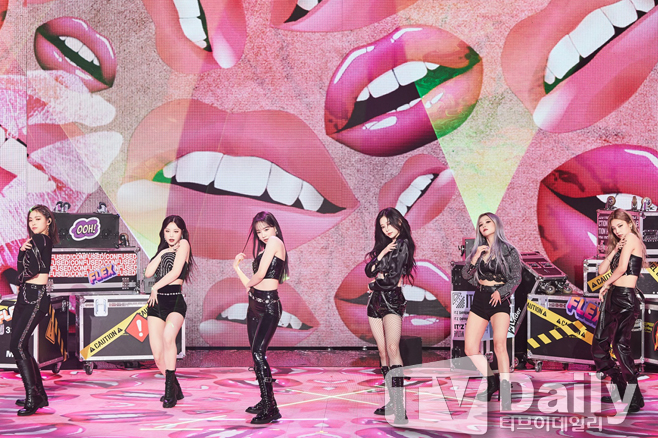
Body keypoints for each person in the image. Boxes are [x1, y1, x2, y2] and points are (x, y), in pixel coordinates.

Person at [462, 212, 521, 411]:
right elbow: (465, 275)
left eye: (487, 222)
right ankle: (491, 381)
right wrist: (475, 257)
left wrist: (501, 292)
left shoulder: (509, 250)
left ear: (496, 224)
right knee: (470, 348)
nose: (484, 226)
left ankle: (505, 389)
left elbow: (516, 278)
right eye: (480, 224)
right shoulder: (478, 250)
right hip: (480, 299)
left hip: (499, 300)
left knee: (500, 345)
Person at [233, 211, 288, 424]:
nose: (263, 234)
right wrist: (236, 268)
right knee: (256, 355)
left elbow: (260, 275)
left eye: (266, 229)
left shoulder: (275, 242)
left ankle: (271, 407)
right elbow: (251, 284)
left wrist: (249, 283)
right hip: (254, 305)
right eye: (258, 232)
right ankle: (265, 401)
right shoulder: (266, 249)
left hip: (268, 307)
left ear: (275, 228)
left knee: (258, 353)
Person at [365, 207, 416, 425]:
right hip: (375, 303)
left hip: (392, 301)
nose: (387, 229)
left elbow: (392, 280)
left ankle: (400, 407)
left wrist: (373, 284)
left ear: (399, 222)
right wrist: (382, 253)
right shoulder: (387, 246)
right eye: (383, 226)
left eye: (389, 224)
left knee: (393, 348)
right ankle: (392, 402)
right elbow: (369, 270)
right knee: (382, 351)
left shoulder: (403, 244)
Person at [592, 208, 646, 413]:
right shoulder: (621, 244)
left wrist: (605, 285)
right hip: (612, 298)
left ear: (630, 224)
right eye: (614, 229)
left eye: (620, 226)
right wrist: (614, 250)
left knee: (620, 346)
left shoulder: (632, 238)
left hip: (625, 298)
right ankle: (621, 391)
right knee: (599, 345)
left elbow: (622, 268)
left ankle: (634, 397)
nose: (617, 231)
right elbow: (601, 271)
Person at [11, 205, 58, 416]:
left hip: (34, 298)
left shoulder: (40, 239)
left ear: (48, 221)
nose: (33, 223)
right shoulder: (38, 241)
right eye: (31, 220)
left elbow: (32, 270)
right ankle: (37, 395)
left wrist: (19, 276)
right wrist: (22, 253)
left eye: (38, 219)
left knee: (18, 345)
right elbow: (25, 270)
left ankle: (34, 397)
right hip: (26, 296)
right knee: (20, 346)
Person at [144, 215, 194, 408]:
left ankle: (168, 393)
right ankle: (175, 388)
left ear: (182, 232)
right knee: (157, 355)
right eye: (167, 231)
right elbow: (148, 272)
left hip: (174, 301)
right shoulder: (164, 250)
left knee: (168, 337)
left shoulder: (184, 245)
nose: (171, 235)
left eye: (175, 231)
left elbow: (175, 272)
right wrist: (163, 252)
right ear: (163, 233)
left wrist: (155, 287)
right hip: (156, 304)